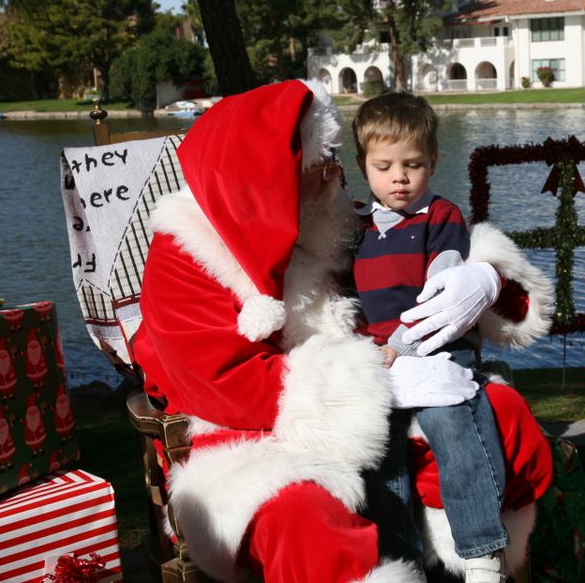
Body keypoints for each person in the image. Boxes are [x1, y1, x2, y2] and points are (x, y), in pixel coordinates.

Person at [132, 80, 555, 583]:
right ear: (272, 178)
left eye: (337, 162)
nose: (337, 178)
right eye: (322, 167)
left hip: (391, 390)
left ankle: (484, 561)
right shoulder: (189, 251)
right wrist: (371, 374)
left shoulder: (331, 219)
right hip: (258, 435)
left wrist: (486, 277)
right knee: (302, 519)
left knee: (503, 416)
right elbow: (219, 381)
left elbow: (419, 261)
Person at [350, 93, 517, 581]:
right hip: (378, 358)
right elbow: (345, 297)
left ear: (433, 162)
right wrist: (364, 349)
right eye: (384, 166)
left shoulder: (440, 216)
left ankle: (482, 551)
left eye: (413, 164)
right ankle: (402, 558)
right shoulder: (356, 227)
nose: (398, 177)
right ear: (364, 165)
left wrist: (400, 344)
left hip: (435, 346)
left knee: (452, 423)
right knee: (381, 451)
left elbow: (442, 294)